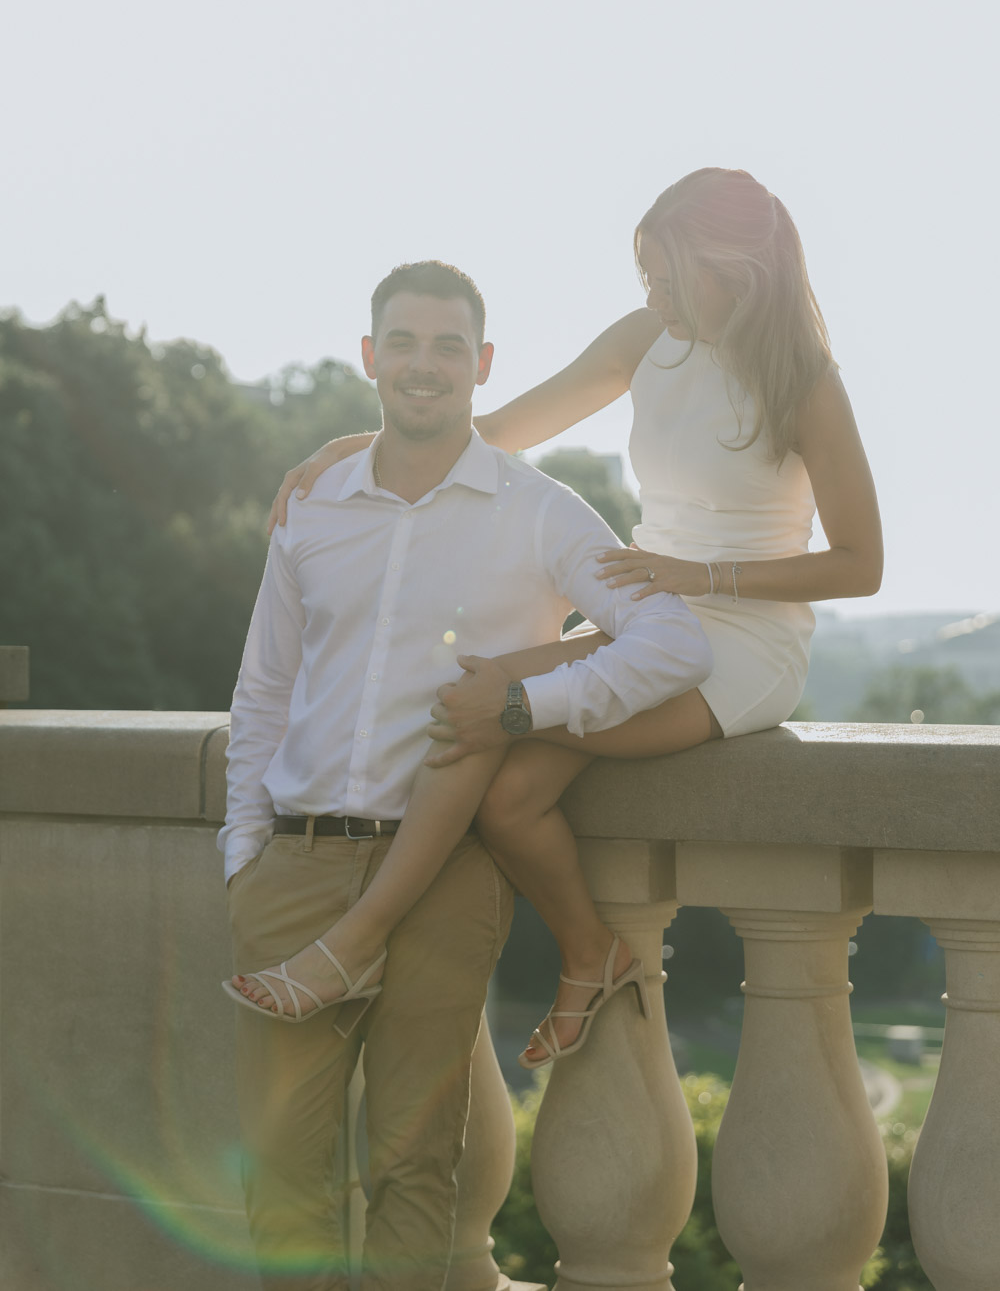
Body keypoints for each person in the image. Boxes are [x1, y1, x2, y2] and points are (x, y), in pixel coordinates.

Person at [268, 168, 883, 1069]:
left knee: (493, 737)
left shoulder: (806, 384)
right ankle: (592, 953)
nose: (653, 296)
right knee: (493, 753)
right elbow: (505, 427)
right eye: (646, 278)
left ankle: (356, 944)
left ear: (734, 270)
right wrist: (363, 441)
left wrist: (702, 571)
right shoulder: (646, 339)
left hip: (746, 645)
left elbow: (861, 565)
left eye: (668, 277)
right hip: (650, 615)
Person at [221, 258, 711, 1291]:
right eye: (402, 342)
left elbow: (672, 642)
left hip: (446, 879)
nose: (423, 365)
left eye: (448, 346)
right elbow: (262, 692)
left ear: (483, 365)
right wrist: (243, 851)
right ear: (370, 358)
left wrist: (526, 704)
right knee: (280, 1179)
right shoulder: (312, 509)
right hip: (297, 866)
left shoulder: (538, 510)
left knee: (414, 1170)